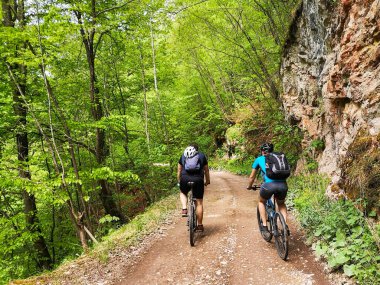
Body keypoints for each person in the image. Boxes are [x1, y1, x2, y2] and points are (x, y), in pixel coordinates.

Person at [246, 143, 289, 234]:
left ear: (262, 151)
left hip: (268, 186)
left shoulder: (259, 159)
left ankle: (265, 227)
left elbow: (252, 177)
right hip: (283, 185)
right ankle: (285, 226)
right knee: (281, 204)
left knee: (261, 202)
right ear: (272, 150)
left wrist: (249, 186)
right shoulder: (278, 158)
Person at [177, 143, 210, 232]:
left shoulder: (183, 155)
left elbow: (179, 169)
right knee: (199, 203)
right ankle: (200, 225)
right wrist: (207, 181)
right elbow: (206, 170)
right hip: (198, 180)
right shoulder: (202, 155)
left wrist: (179, 180)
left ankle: (184, 209)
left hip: (185, 179)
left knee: (183, 192)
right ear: (197, 149)